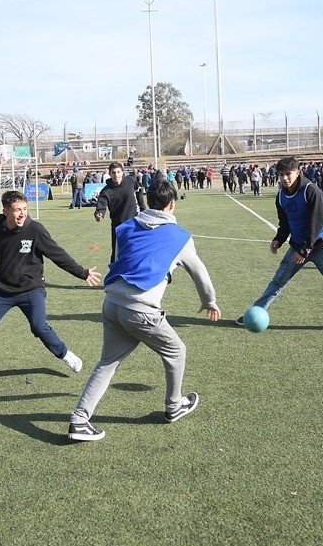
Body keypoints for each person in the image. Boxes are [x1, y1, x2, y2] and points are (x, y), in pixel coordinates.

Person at [69, 181, 219, 441]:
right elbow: (200, 273)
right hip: (141, 310)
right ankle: (174, 406)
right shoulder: (180, 237)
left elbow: (118, 261)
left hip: (112, 303)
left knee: (107, 364)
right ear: (172, 205)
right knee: (176, 350)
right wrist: (210, 301)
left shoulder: (125, 227)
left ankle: (79, 420)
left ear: (147, 202)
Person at [0, 190, 101, 386]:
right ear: (6, 212)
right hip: (2, 292)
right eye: (17, 210)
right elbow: (5, 252)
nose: (22, 214)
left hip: (31, 290)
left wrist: (82, 273)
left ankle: (65, 354)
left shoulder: (36, 230)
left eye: (25, 209)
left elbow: (58, 255)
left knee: (39, 327)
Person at [236, 156, 323, 334]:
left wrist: (304, 250)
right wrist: (278, 239)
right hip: (298, 246)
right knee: (279, 280)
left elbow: (316, 224)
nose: (284, 178)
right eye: (281, 174)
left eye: (288, 174)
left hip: (320, 245)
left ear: (297, 172)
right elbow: (285, 223)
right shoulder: (281, 196)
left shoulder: (312, 191)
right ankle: (256, 313)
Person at [94, 161, 139, 262]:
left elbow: (139, 194)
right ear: (109, 174)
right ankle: (114, 276)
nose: (116, 175)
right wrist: (99, 214)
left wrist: (143, 209)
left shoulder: (131, 182)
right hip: (118, 227)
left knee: (136, 252)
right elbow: (101, 207)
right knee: (117, 255)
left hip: (135, 224)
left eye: (118, 172)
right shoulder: (106, 191)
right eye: (113, 173)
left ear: (122, 172)